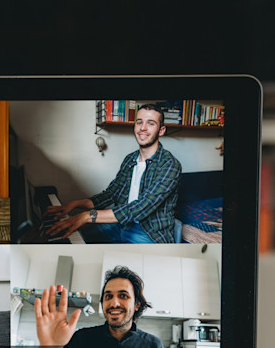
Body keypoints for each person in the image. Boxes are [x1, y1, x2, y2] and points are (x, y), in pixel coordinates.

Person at [45, 104, 182, 244]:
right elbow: (110, 195)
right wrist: (76, 204)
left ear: (161, 130)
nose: (142, 128)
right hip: (120, 224)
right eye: (139, 122)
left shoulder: (170, 165)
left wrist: (87, 216)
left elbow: (140, 207)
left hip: (149, 232)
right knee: (71, 236)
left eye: (150, 123)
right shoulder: (130, 159)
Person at [27, 265, 171, 348]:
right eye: (108, 296)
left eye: (123, 296)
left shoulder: (153, 346)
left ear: (137, 304)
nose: (114, 303)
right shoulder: (81, 339)